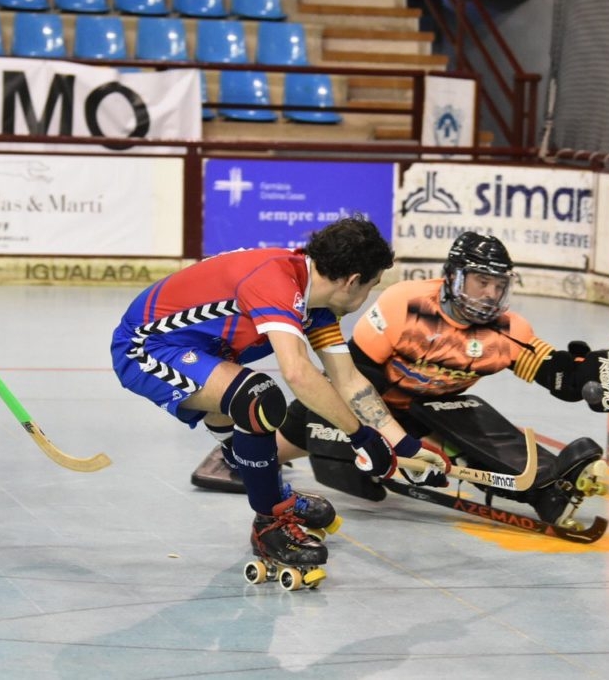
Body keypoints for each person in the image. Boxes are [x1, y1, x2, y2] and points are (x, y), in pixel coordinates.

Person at [193, 231, 607, 528]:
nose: (489, 294)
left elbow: (554, 372)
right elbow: (352, 378)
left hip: (431, 412)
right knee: (305, 425)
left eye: (498, 285)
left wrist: (595, 372)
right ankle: (238, 458)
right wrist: (384, 440)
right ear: (454, 278)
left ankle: (544, 489)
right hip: (377, 403)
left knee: (466, 414)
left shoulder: (508, 327)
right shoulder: (403, 303)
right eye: (481, 282)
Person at [111, 215, 448, 579]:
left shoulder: (316, 304)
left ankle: (273, 494)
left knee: (248, 414)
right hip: (145, 349)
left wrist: (404, 446)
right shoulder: (276, 280)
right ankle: (271, 521)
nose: (368, 297)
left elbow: (349, 380)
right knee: (259, 398)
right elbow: (298, 373)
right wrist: (362, 438)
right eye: (371, 286)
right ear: (352, 281)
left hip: (207, 353)